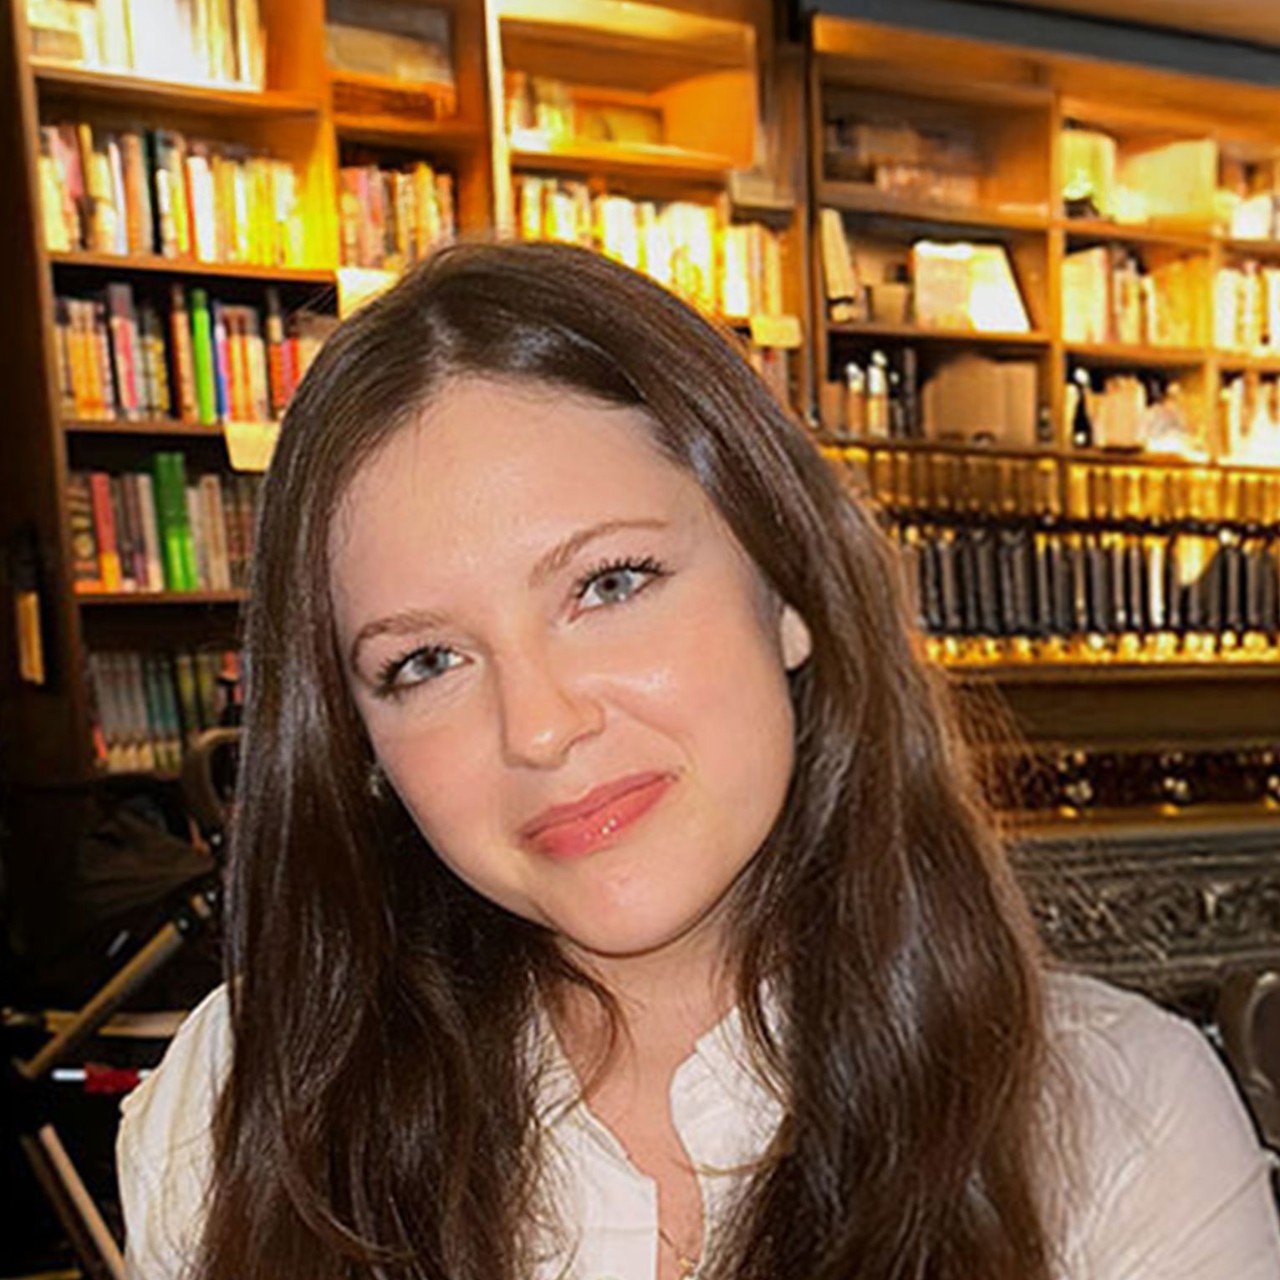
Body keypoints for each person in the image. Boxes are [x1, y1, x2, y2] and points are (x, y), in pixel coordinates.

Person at [117, 241, 1280, 1280]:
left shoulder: (1107, 1119)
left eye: (607, 583)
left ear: (786, 588)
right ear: (356, 746)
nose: (539, 724)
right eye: (425, 659)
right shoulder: (236, 1105)